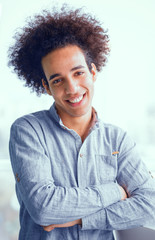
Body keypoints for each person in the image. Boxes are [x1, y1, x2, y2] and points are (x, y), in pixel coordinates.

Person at [8, 5, 155, 240]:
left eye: (78, 73)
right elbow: (44, 208)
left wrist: (81, 219)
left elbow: (150, 204)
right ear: (46, 87)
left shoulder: (118, 139)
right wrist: (116, 191)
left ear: (93, 72)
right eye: (57, 80)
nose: (72, 89)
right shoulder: (28, 131)